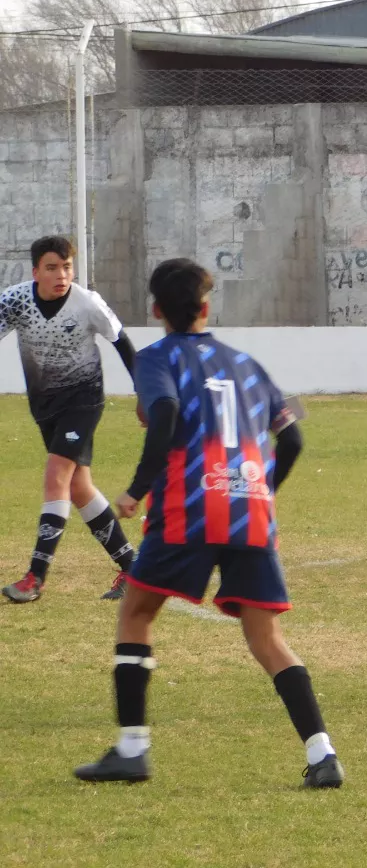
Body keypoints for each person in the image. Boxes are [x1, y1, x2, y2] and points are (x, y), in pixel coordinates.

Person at [74, 259, 342, 788]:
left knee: (136, 612)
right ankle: (323, 754)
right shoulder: (247, 362)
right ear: (206, 307)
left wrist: (136, 489)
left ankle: (132, 750)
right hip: (250, 511)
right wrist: (261, 491)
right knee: (266, 637)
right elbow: (292, 437)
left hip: (190, 509)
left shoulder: (156, 358)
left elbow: (165, 414)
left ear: (156, 310)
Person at [0, 236, 137, 603]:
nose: (61, 275)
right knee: (78, 487)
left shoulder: (87, 303)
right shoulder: (15, 300)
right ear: (35, 272)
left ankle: (35, 578)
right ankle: (133, 568)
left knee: (56, 476)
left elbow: (123, 345)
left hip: (84, 401)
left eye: (66, 267)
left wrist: (146, 395)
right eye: (52, 268)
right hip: (45, 407)